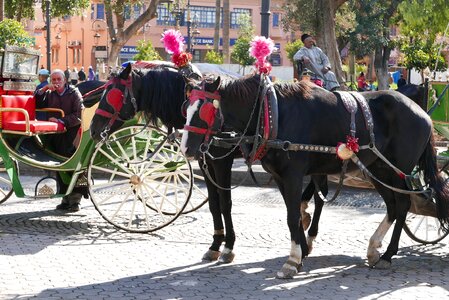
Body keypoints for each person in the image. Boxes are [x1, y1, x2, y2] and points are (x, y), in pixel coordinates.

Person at [34, 69, 86, 212]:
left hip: (72, 135)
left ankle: (75, 201)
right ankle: (64, 198)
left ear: (65, 80)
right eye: (54, 80)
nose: (56, 82)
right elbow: (36, 103)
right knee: (59, 167)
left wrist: (61, 120)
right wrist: (44, 88)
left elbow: (79, 115)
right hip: (56, 135)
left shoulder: (74, 93)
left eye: (59, 79)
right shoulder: (49, 93)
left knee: (73, 167)